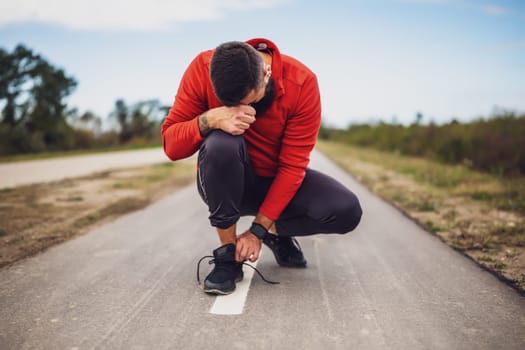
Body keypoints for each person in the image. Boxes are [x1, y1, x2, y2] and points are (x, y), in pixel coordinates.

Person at [161, 38, 362, 295]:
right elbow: (171, 146)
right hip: (227, 179)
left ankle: (272, 233)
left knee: (346, 210)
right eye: (232, 106)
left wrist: (257, 230)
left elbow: (292, 167)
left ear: (266, 74)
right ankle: (228, 257)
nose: (241, 110)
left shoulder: (302, 82)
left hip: (276, 179)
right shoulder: (202, 67)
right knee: (222, 142)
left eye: (248, 101)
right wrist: (210, 119)